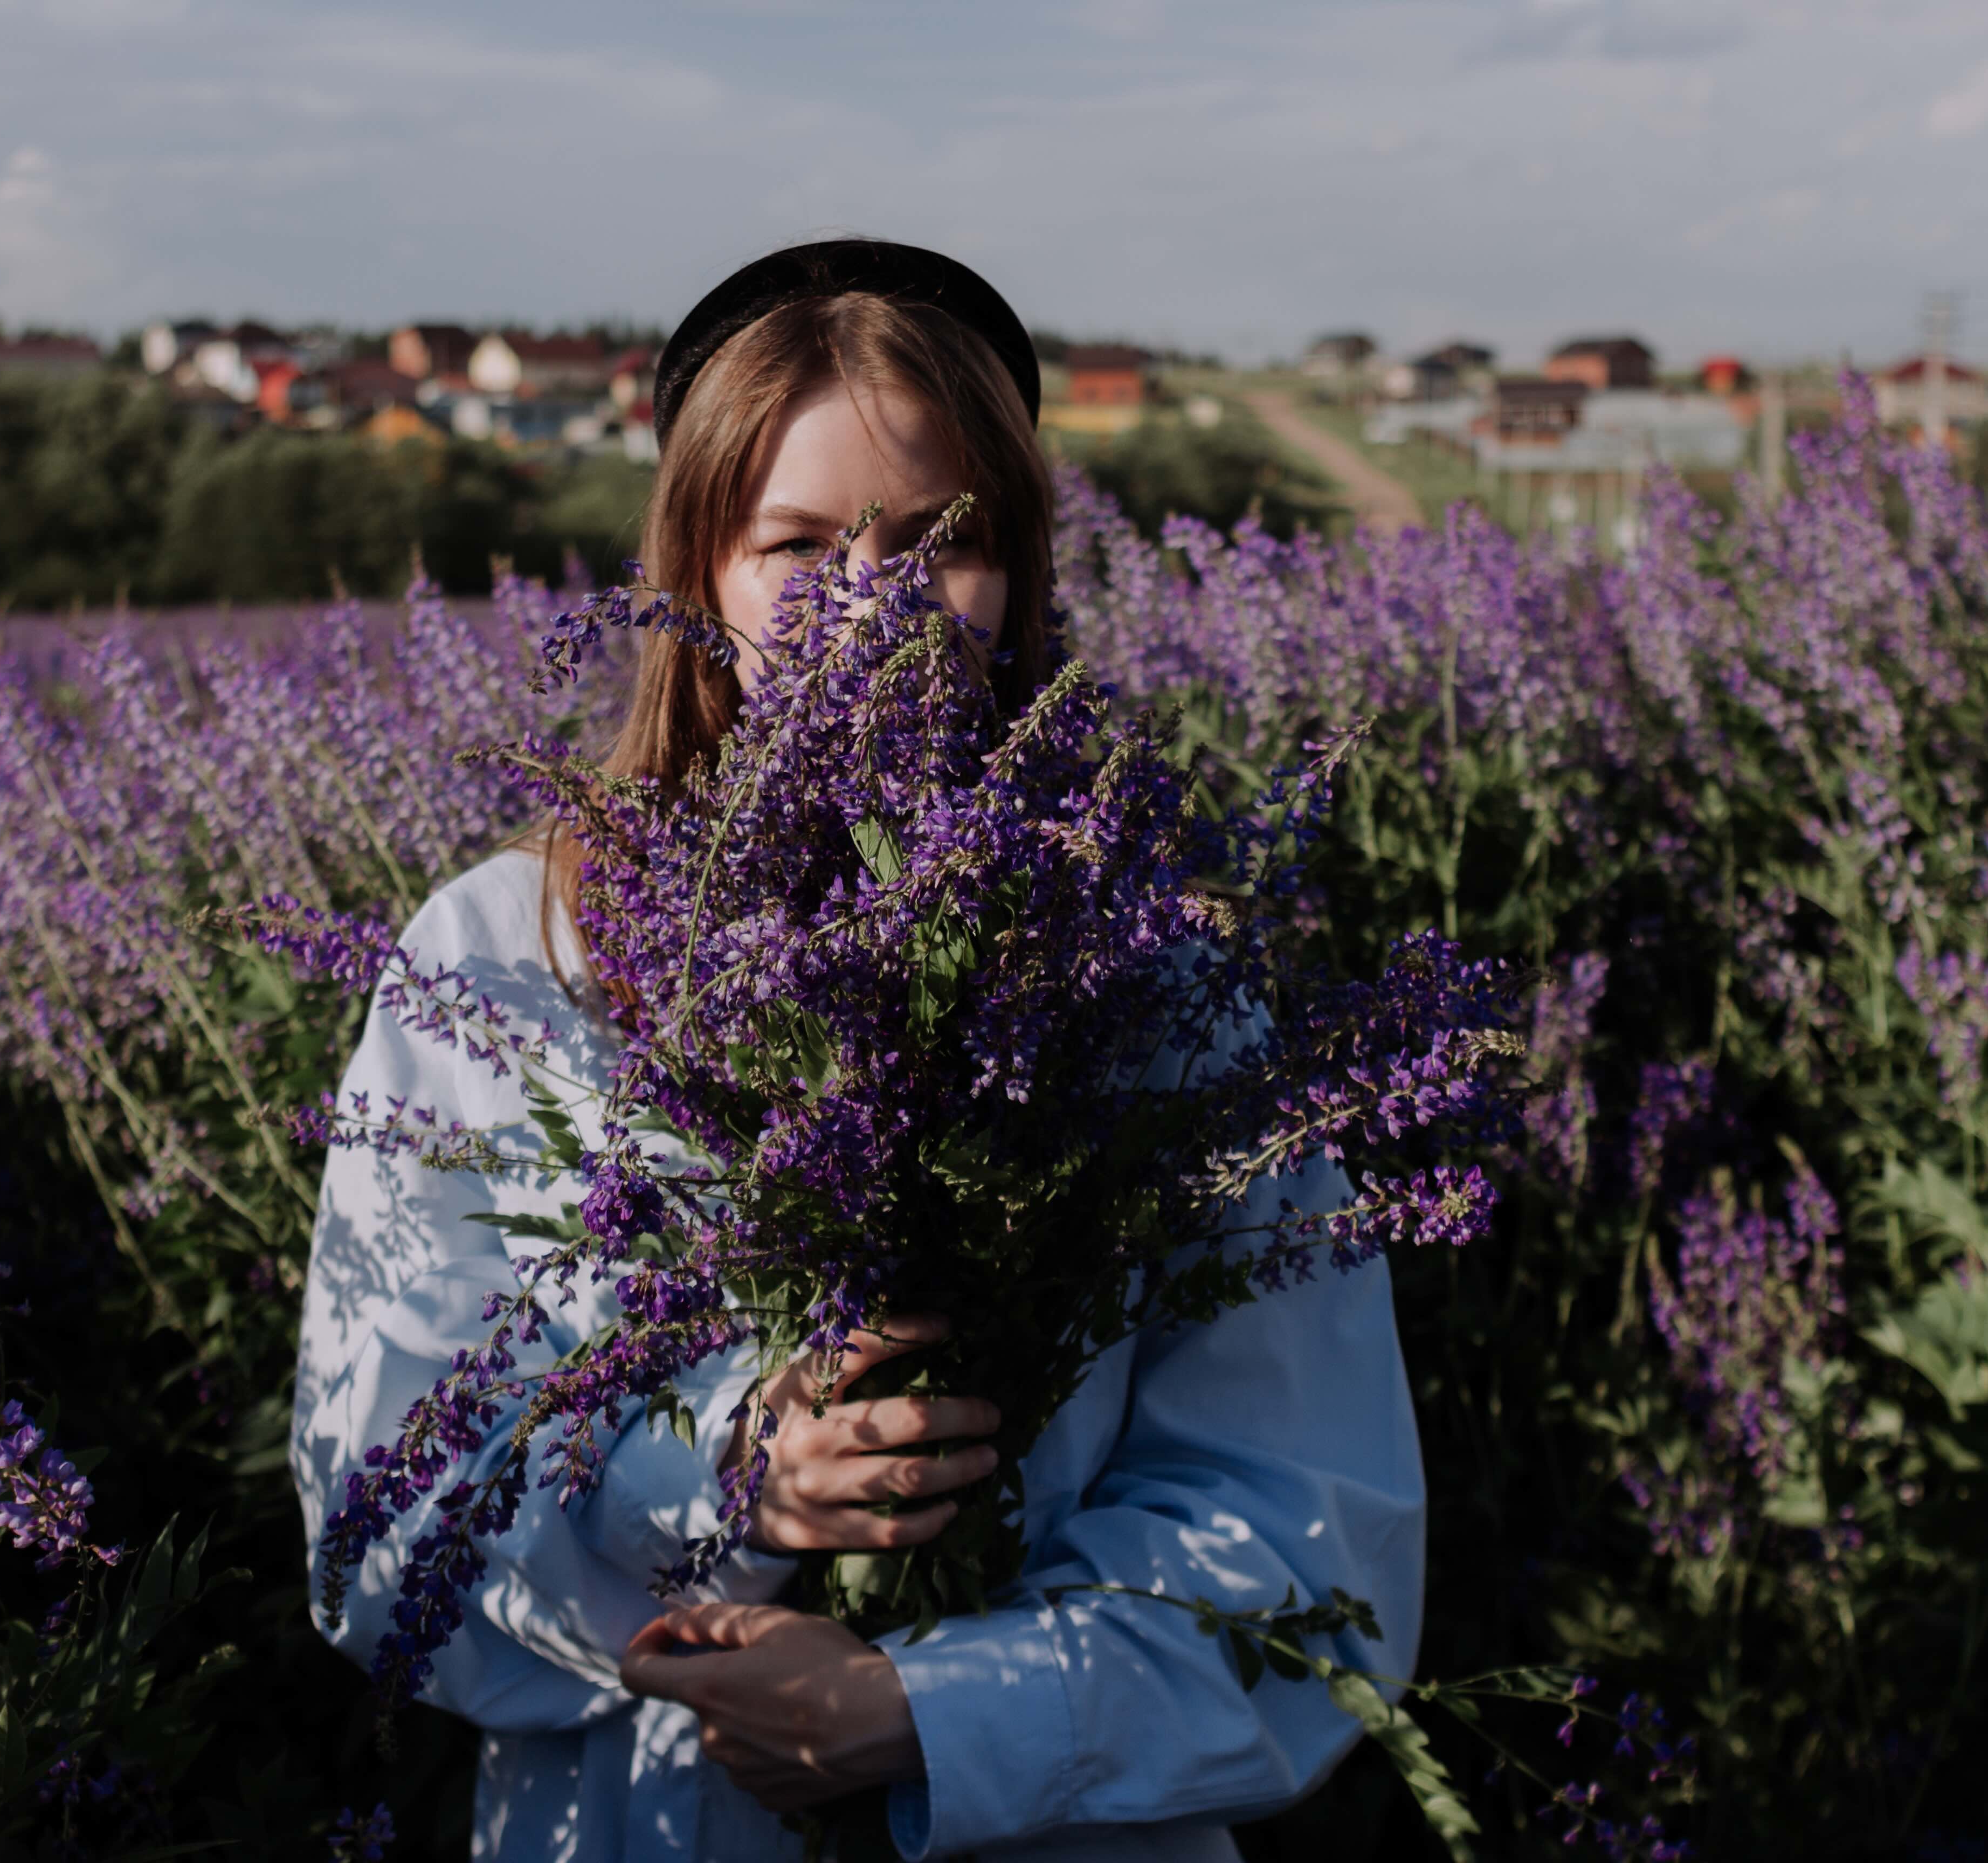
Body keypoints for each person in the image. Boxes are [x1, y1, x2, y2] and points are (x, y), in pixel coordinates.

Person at [292, 240, 1427, 1861]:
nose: (877, 605)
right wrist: (723, 1490)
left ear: (1025, 571)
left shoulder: (1162, 982)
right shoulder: (500, 955)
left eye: (936, 545)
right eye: (801, 546)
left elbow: (1319, 1547)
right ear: (701, 582)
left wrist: (922, 1712)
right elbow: (376, 1518)